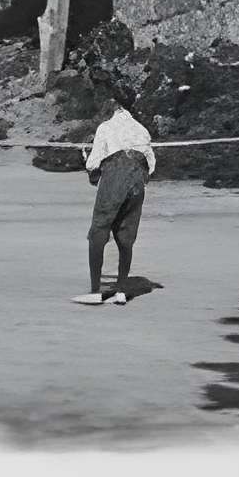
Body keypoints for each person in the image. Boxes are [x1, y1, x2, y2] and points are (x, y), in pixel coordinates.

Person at [75, 75, 158, 306]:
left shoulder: (106, 127)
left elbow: (93, 163)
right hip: (138, 179)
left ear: (112, 108)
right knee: (126, 237)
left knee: (98, 234)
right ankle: (121, 291)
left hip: (117, 174)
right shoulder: (141, 129)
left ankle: (94, 290)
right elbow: (151, 165)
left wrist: (90, 165)